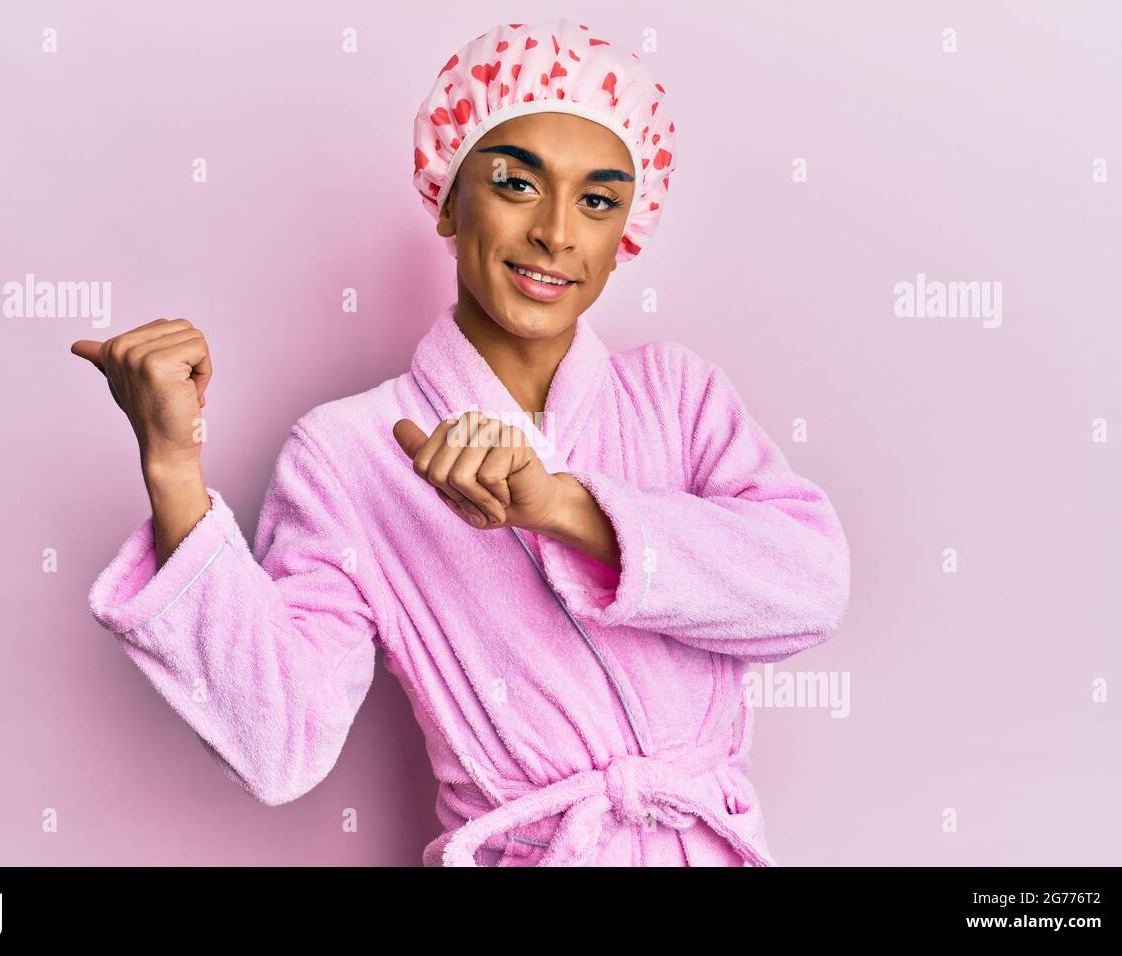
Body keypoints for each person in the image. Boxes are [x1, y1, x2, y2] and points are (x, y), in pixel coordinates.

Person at [70, 17, 850, 867]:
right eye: (518, 184)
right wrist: (173, 469)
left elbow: (810, 586)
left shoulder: (678, 393)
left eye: (597, 200)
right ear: (446, 195)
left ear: (626, 233)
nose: (557, 232)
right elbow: (280, 743)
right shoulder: (347, 455)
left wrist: (564, 508)